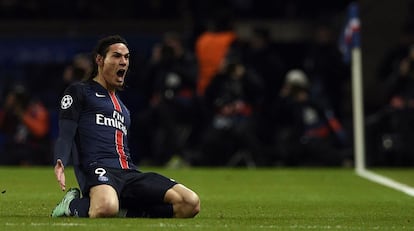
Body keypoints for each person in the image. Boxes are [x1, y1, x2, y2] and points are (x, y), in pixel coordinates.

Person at [51, 35, 200, 218]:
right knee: (105, 208)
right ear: (99, 60)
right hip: (98, 169)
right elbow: (65, 133)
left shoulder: (123, 109)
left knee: (189, 203)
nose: (123, 62)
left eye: (126, 57)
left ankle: (125, 211)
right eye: (116, 56)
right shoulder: (80, 91)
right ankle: (71, 203)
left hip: (129, 174)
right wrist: (60, 159)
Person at [0, 84, 50, 165]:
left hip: (33, 149)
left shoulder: (35, 109)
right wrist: (6, 109)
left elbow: (41, 131)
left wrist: (23, 116)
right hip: (12, 149)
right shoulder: (8, 112)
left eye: (17, 98)